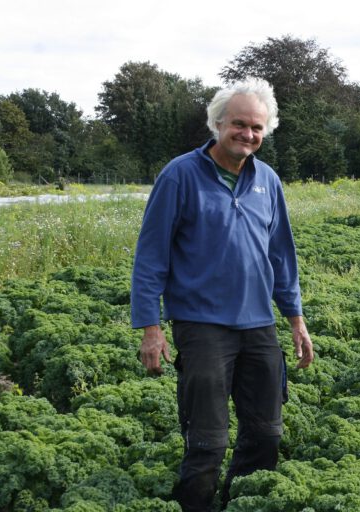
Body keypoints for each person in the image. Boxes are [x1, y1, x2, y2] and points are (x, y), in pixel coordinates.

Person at [130, 77, 314, 511]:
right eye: (238, 124)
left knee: (266, 433)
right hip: (202, 326)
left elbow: (281, 256)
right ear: (217, 123)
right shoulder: (180, 175)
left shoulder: (268, 181)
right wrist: (150, 328)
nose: (247, 134)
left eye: (256, 127)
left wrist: (296, 320)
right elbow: (150, 256)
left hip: (258, 326)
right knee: (208, 440)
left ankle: (240, 502)